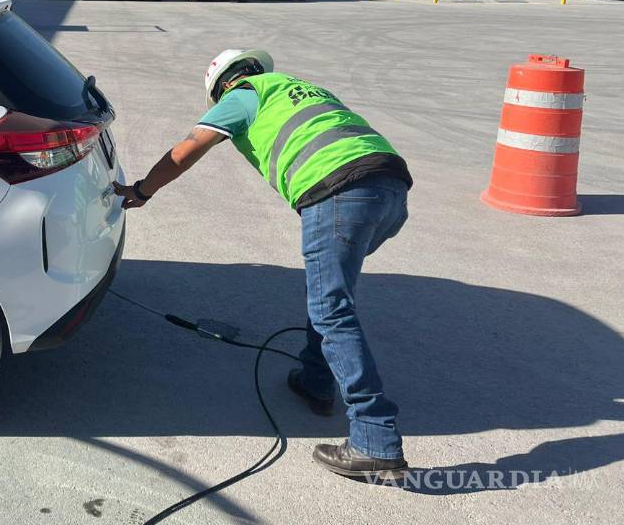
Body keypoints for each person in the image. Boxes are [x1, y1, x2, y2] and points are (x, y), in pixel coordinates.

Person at [114, 49, 413, 478]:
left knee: (331, 308)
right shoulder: (299, 88)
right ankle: (316, 380)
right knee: (328, 294)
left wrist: (143, 190)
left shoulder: (242, 95)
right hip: (390, 190)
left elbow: (187, 150)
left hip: (337, 191)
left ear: (223, 85)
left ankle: (375, 439)